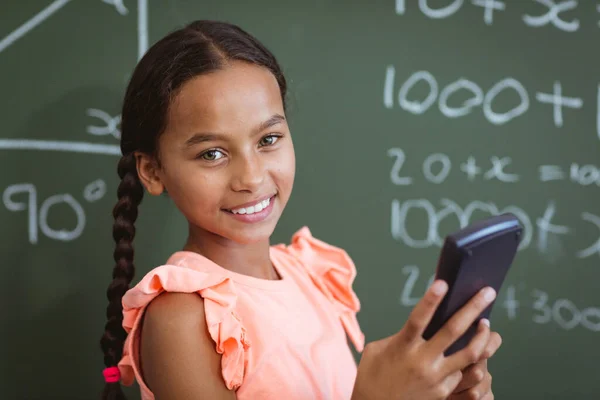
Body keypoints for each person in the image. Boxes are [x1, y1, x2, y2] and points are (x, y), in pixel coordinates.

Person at [99, 20, 502, 400]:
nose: (251, 177)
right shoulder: (182, 317)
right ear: (152, 170)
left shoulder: (308, 274)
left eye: (268, 139)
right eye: (213, 153)